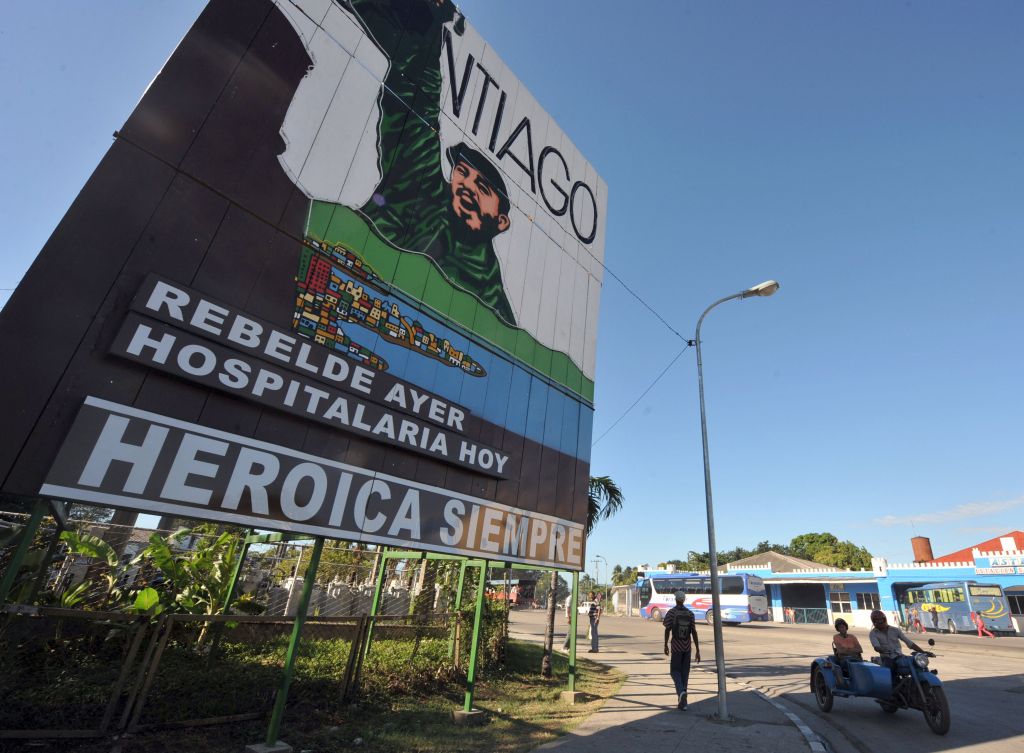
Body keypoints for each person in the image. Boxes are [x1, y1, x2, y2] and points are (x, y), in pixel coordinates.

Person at [344, 0, 517, 325]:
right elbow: (416, 106)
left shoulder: (491, 292)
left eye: (483, 188)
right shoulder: (418, 189)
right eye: (462, 172)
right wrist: (429, 29)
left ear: (502, 221)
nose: (467, 186)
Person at [663, 592, 701, 709]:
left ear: (676, 600)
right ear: (684, 600)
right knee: (685, 674)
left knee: (674, 671)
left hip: (676, 647)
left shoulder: (671, 613)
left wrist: (665, 645)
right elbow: (694, 632)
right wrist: (697, 650)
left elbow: (667, 629)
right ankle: (683, 704)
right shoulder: (690, 613)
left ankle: (681, 692)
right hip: (687, 648)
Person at [831, 618, 862, 687]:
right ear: (837, 629)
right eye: (840, 627)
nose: (842, 629)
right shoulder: (836, 637)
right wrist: (853, 650)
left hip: (856, 658)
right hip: (844, 659)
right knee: (850, 666)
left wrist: (846, 650)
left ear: (846, 627)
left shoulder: (852, 636)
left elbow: (860, 649)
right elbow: (840, 651)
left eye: (843, 627)